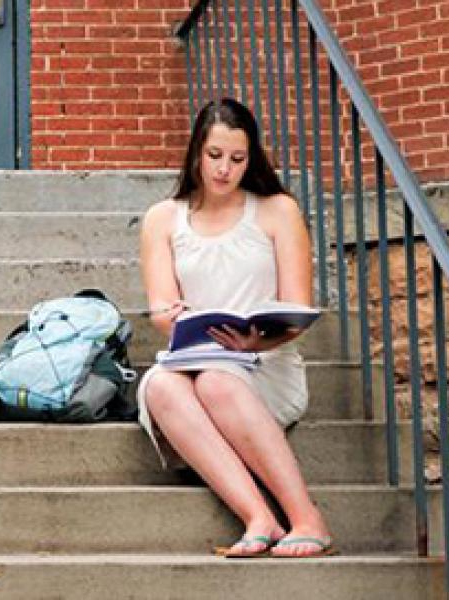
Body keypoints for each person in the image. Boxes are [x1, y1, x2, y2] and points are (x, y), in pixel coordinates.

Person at [135, 97, 333, 558]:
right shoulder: (162, 218)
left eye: (238, 159)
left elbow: (297, 308)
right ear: (196, 154)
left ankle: (307, 518)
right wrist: (176, 317)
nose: (224, 169)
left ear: (252, 158)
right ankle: (257, 516)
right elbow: (162, 309)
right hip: (196, 360)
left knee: (219, 383)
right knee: (160, 386)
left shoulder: (277, 210)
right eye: (215, 156)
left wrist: (257, 339)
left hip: (266, 364)